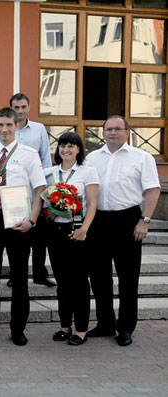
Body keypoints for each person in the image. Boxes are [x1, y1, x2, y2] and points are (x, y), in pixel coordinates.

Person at [85, 115, 160, 347]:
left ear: (127, 132)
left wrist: (144, 221)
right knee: (99, 277)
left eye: (118, 129)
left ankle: (126, 327)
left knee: (128, 277)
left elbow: (153, 190)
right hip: (98, 220)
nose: (113, 133)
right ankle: (105, 322)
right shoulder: (92, 158)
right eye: (108, 129)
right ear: (103, 132)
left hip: (127, 220)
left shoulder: (142, 157)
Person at [0, 107, 46, 346]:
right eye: (0, 125)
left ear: (16, 127)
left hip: (18, 223)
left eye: (9, 125)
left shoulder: (29, 154)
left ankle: (18, 329)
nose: (4, 130)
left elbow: (40, 190)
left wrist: (32, 221)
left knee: (18, 277)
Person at [44, 133, 99, 346]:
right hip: (55, 232)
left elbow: (92, 203)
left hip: (77, 231)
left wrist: (84, 228)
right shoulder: (51, 173)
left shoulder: (87, 172)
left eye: (71, 146)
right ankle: (65, 326)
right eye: (62, 146)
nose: (66, 150)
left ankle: (82, 329)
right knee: (62, 281)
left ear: (78, 149)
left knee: (79, 282)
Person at [0, 93, 55, 288]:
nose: (20, 111)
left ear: (29, 107)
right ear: (11, 108)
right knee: (15, 237)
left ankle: (40, 273)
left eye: (23, 107)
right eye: (16, 107)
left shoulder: (39, 129)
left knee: (39, 235)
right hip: (12, 195)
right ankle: (16, 274)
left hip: (35, 191)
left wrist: (48, 191)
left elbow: (45, 159)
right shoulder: (4, 129)